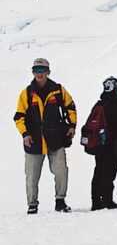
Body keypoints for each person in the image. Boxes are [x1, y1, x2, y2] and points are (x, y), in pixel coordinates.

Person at [14, 57, 77, 214]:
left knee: (61, 171)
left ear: (48, 72)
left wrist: (71, 126)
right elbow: (19, 117)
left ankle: (60, 201)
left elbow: (70, 107)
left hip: (56, 140)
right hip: (33, 142)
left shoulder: (58, 90)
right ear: (33, 72)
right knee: (31, 176)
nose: (39, 74)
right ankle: (32, 204)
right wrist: (25, 134)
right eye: (36, 70)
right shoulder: (26, 93)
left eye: (42, 70)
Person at [90, 76, 117, 210]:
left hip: (98, 143)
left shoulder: (99, 104)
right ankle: (107, 200)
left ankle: (96, 201)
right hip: (111, 143)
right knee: (109, 172)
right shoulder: (115, 105)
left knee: (98, 170)